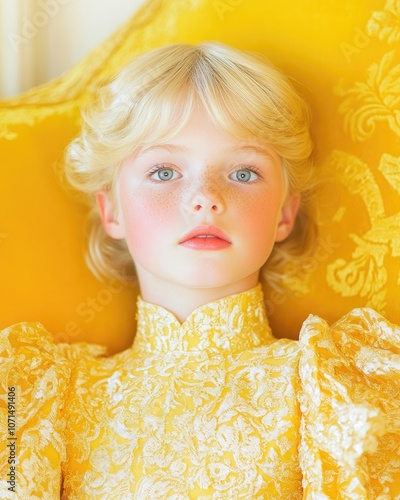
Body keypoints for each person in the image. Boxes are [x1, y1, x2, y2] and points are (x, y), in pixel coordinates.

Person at [1, 42, 399, 499]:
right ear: (112, 212)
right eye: (165, 171)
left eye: (244, 173)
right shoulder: (38, 395)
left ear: (284, 215)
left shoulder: (333, 387)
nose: (206, 197)